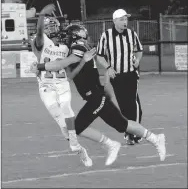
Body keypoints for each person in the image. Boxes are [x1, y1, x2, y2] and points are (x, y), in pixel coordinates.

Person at [35, 24, 166, 163]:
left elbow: (62, 64)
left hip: (95, 97)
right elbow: (71, 75)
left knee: (77, 127)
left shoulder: (78, 47)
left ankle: (111, 144)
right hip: (96, 95)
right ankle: (155, 139)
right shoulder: (79, 48)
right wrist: (82, 63)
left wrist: (39, 66)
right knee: (123, 124)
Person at [30, 4, 93, 167]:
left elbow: (70, 75)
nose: (49, 29)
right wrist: (42, 15)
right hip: (45, 85)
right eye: (47, 26)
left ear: (58, 28)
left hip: (62, 84)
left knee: (66, 108)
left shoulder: (66, 48)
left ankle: (76, 146)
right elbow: (38, 33)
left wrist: (83, 62)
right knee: (60, 119)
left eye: (52, 25)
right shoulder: (41, 42)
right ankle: (78, 148)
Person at [97, 9, 143, 145]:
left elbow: (139, 50)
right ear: (115, 21)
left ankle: (134, 133)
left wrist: (138, 60)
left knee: (134, 105)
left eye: (126, 19)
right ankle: (129, 132)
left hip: (130, 74)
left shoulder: (132, 34)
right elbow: (99, 56)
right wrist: (108, 68)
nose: (125, 22)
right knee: (124, 106)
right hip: (116, 76)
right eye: (122, 19)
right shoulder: (106, 36)